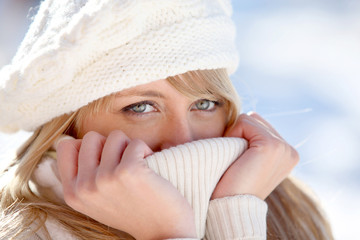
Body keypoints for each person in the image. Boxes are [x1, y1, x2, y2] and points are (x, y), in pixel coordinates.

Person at [0, 0, 333, 239]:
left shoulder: (288, 211)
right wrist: (169, 233)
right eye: (141, 107)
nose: (184, 139)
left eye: (204, 103)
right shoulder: (25, 232)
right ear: (69, 126)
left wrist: (235, 210)